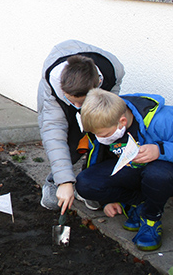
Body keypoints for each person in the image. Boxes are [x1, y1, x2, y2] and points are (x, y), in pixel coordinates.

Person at [76, 88, 173, 251]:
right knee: (85, 183)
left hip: (166, 174)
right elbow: (96, 158)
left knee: (157, 175)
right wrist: (107, 200)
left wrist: (160, 150)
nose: (101, 139)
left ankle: (150, 219)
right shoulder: (103, 120)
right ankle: (138, 203)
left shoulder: (163, 119)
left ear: (122, 122)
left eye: (105, 135)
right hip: (132, 170)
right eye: (97, 135)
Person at [37, 40, 125, 214]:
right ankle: (56, 181)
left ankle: (88, 184)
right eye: (71, 100)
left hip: (96, 90)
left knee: (101, 132)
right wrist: (65, 182)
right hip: (55, 96)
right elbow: (53, 134)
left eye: (81, 102)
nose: (77, 106)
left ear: (97, 84)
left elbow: (109, 114)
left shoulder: (113, 71)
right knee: (69, 139)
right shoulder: (52, 84)